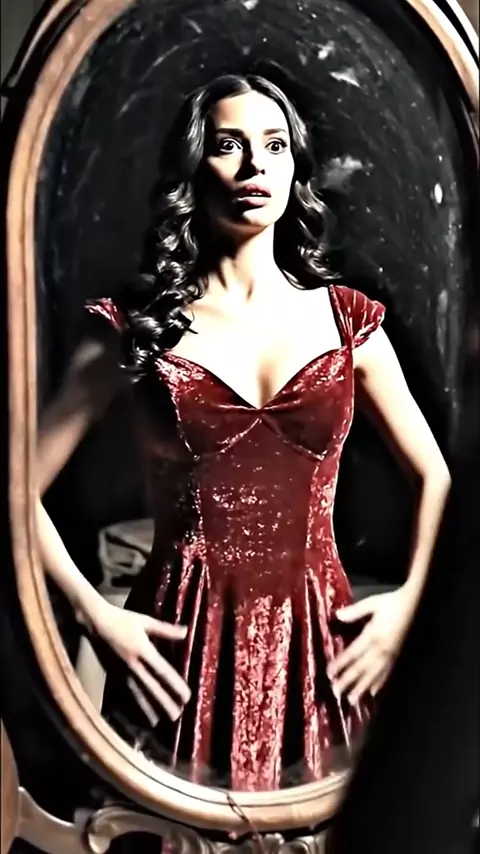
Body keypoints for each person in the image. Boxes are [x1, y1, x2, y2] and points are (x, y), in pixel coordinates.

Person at [36, 73, 451, 791]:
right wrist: (95, 615)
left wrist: (409, 606)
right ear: (193, 167)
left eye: (275, 145)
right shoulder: (135, 328)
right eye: (229, 144)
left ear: (295, 169)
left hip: (323, 652)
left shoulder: (349, 322)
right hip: (177, 654)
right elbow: (13, 489)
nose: (256, 164)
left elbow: (437, 476)